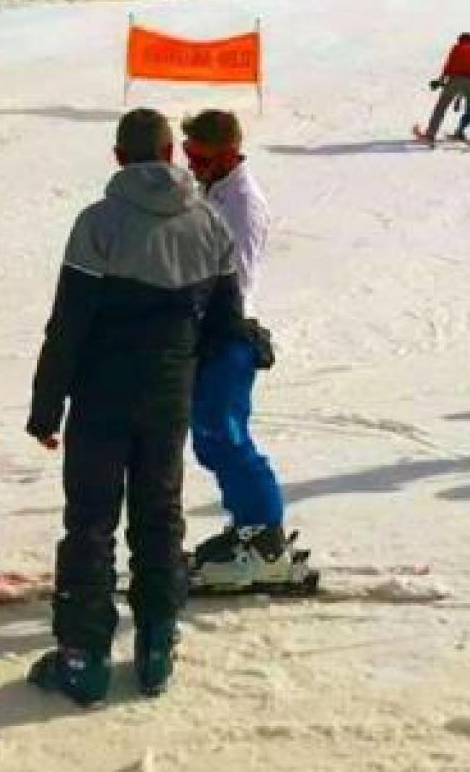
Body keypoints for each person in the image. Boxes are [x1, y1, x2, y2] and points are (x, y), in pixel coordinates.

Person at [26, 109, 243, 705]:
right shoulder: (210, 222)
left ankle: (84, 660)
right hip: (168, 395)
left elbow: (69, 324)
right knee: (159, 514)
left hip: (101, 396)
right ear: (172, 153)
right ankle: (155, 647)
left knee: (90, 521)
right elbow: (226, 323)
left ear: (118, 157)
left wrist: (46, 407)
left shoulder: (97, 223)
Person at [180, 111, 302, 590]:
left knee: (224, 434)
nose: (193, 167)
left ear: (228, 153)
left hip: (227, 331)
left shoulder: (243, 203)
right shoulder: (213, 191)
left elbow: (236, 276)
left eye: (201, 158)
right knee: (210, 438)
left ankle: (265, 540)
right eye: (188, 156)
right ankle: (246, 528)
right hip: (208, 331)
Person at [418, 32, 470, 147]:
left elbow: (448, 65)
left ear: (460, 40)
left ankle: (430, 134)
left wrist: (441, 80)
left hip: (454, 80)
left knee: (441, 107)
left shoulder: (456, 48)